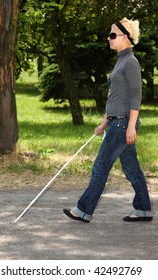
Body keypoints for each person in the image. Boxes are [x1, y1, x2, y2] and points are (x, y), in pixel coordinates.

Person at [63, 17, 153, 223]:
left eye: (112, 35)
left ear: (125, 37)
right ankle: (144, 209)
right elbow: (115, 98)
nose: (108, 38)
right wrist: (104, 123)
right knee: (131, 168)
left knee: (101, 166)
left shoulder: (130, 62)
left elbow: (136, 96)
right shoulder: (120, 60)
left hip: (123, 124)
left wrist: (131, 127)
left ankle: (83, 210)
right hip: (116, 121)